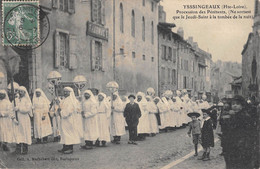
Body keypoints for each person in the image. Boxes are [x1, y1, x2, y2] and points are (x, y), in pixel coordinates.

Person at [222, 95, 255, 169]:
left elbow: (249, 133)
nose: (235, 106)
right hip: (231, 147)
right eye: (233, 104)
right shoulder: (230, 116)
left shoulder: (245, 116)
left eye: (237, 104)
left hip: (242, 147)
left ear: (242, 106)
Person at [57, 87, 81, 154]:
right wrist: (58, 105)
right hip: (64, 119)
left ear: (70, 92)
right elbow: (61, 107)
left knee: (69, 133)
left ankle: (70, 148)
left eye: (66, 92)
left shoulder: (72, 101)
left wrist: (62, 113)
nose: (65, 93)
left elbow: (69, 110)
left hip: (69, 119)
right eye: (64, 91)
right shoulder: (65, 100)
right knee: (64, 132)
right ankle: (65, 147)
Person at [14, 86, 33, 155]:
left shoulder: (27, 100)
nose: (20, 93)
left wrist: (18, 108)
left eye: (21, 91)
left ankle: (25, 149)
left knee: (24, 132)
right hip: (18, 118)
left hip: (24, 118)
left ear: (24, 92)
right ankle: (18, 149)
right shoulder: (16, 99)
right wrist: (14, 116)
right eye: (19, 91)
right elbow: (12, 108)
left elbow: (26, 110)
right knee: (18, 132)